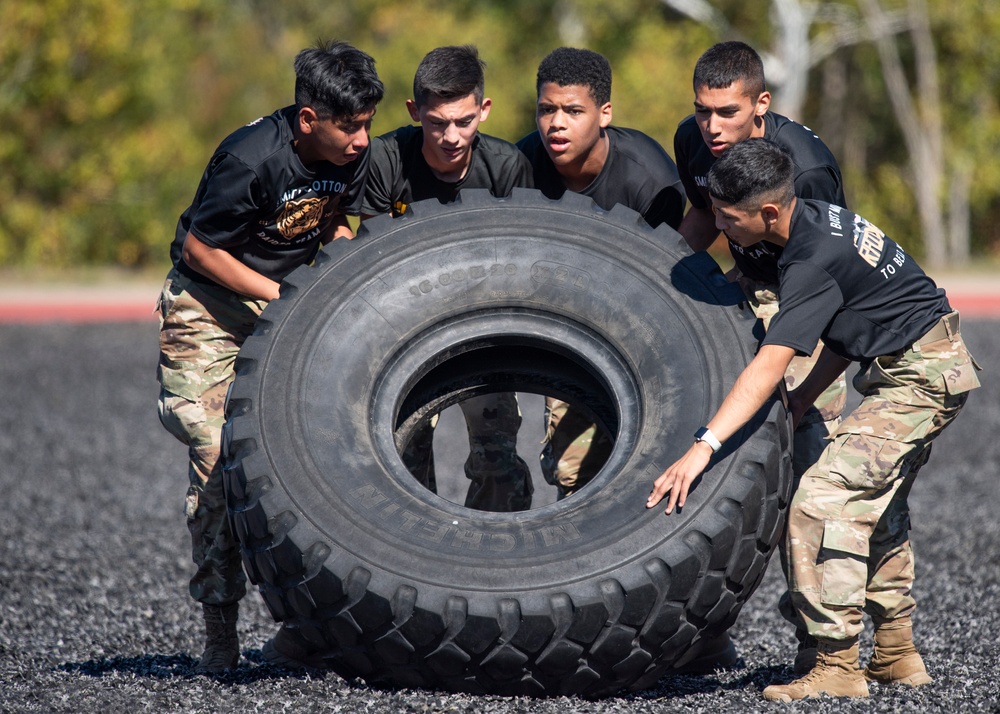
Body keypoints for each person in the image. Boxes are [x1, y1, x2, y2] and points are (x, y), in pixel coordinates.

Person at [647, 138, 980, 701]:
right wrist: (806, 399)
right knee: (877, 502)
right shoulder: (814, 221)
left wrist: (702, 446)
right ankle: (897, 654)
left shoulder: (810, 259)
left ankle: (837, 667)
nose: (723, 230)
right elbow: (854, 327)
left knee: (822, 498)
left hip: (921, 377)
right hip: (918, 364)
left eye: (729, 219)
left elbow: (766, 367)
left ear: (769, 212)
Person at [156, 41, 384, 675]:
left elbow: (337, 220)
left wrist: (334, 270)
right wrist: (284, 294)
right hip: (210, 309)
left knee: (321, 450)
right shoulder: (249, 158)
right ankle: (220, 628)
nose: (363, 140)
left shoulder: (352, 152)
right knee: (216, 458)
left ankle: (316, 623)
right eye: (350, 126)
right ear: (309, 119)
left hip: (286, 300)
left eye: (367, 123)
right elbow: (202, 251)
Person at [673, 40, 849, 672]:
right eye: (702, 112)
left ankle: (834, 645)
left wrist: (806, 375)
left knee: (808, 470)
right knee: (710, 438)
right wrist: (664, 284)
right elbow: (701, 220)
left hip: (804, 300)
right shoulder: (694, 141)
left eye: (726, 112)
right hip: (741, 285)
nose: (712, 128)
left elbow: (828, 273)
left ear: (761, 105)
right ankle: (700, 633)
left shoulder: (806, 168)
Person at [362, 45, 535, 513]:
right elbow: (366, 259)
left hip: (480, 325)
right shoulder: (385, 160)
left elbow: (518, 262)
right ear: (415, 112)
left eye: (464, 121)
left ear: (484, 109)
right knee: (402, 453)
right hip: (403, 326)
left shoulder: (506, 166)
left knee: (498, 455)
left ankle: (496, 554)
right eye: (437, 123)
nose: (451, 136)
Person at [516, 47, 686, 501]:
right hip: (561, 315)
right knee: (570, 471)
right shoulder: (520, 168)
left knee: (642, 460)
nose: (556, 123)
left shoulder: (650, 181)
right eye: (547, 109)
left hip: (642, 320)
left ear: (604, 113)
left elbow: (668, 280)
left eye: (573, 111)